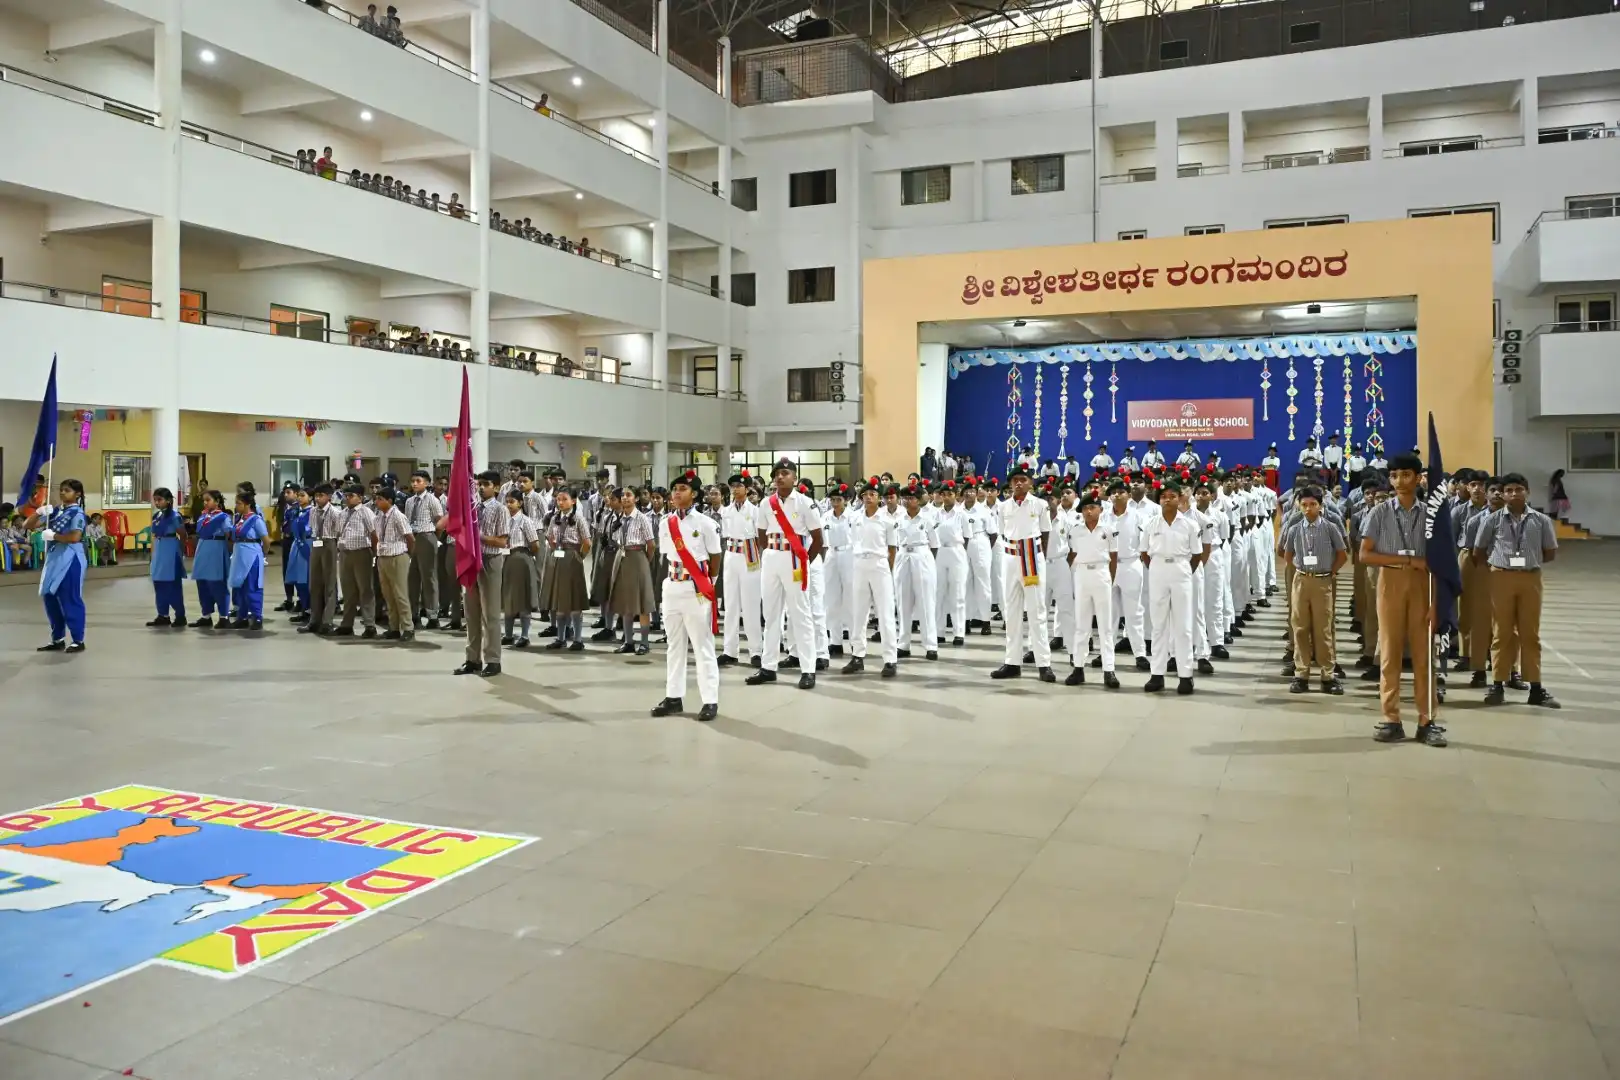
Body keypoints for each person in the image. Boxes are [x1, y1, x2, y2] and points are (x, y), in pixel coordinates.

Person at [1359, 453, 1444, 745]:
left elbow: (1441, 564)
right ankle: (1391, 718)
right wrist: (1406, 560)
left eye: (1406, 475)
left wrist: (1436, 604)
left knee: (1424, 656)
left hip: (1423, 584)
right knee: (1390, 653)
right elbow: (1365, 554)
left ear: (1418, 478)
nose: (1399, 481)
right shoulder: (1379, 513)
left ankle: (1427, 720)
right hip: (1391, 581)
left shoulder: (1431, 515)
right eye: (1394, 476)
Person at [1473, 473, 1560, 708]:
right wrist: (1498, 566)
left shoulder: (1541, 521)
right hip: (1500, 577)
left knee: (1530, 634)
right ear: (1503, 494)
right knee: (1501, 632)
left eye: (1518, 489)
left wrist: (1527, 562)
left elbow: (1550, 552)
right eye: (1509, 490)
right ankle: (1497, 685)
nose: (1514, 494)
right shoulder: (1491, 520)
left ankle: (1536, 688)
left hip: (1530, 578)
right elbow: (1479, 551)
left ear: (1527, 492)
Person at [748, 459, 824, 690]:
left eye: (785, 473)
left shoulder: (805, 503)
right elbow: (761, 536)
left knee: (801, 614)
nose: (780, 477)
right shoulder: (766, 503)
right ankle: (768, 667)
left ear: (794, 477)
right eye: (776, 474)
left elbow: (818, 539)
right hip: (772, 557)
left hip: (795, 560)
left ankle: (808, 668)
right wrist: (771, 554)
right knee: (771, 614)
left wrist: (805, 562)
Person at [652, 470, 722, 720]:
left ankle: (710, 700)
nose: (676, 493)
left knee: (702, 645)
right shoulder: (666, 522)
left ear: (694, 494)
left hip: (696, 588)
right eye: (675, 489)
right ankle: (673, 697)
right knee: (674, 644)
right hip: (672, 585)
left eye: (682, 489)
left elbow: (715, 557)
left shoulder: (706, 523)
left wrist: (708, 584)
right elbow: (667, 554)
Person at [1140, 478, 1207, 694]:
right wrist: (1157, 568)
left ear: (1180, 499)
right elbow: (1144, 553)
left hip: (1181, 569)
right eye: (1163, 497)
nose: (1167, 500)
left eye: (1172, 496)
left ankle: (1185, 675)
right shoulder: (1151, 524)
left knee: (1183, 625)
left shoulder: (1189, 524)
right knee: (1158, 624)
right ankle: (1157, 674)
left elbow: (1196, 555)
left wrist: (1184, 571)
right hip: (1158, 569)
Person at [990, 465, 1055, 682]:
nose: (1019, 483)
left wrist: (1040, 558)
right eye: (1015, 480)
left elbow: (1045, 533)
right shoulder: (1003, 507)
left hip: (1031, 558)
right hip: (1010, 558)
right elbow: (1002, 533)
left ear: (1030, 483)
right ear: (1010, 484)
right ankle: (1012, 662)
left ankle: (1043, 663)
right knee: (1011, 611)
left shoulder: (1040, 504)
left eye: (1023, 479)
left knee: (1037, 611)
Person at [1281, 486, 1347, 694]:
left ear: (1320, 505)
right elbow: (1287, 554)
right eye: (1304, 505)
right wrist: (1299, 568)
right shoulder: (1294, 529)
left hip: (1322, 580)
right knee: (1300, 627)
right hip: (1301, 580)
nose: (1308, 509)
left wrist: (1331, 572)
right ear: (1299, 506)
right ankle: (1301, 673)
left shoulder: (1330, 527)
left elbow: (1342, 554)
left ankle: (1328, 675)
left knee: (1323, 629)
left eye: (1313, 504)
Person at [455, 471, 511, 674]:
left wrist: (477, 536)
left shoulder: (500, 509)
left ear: (496, 487)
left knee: (490, 614)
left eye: (486, 484)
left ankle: (493, 659)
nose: (481, 488)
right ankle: (472, 659)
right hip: (471, 560)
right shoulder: (473, 508)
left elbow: (502, 541)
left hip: (490, 560)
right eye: (479, 484)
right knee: (471, 613)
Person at [1063, 493, 1121, 689]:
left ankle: (1109, 669)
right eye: (1085, 508)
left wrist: (1110, 579)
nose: (1088, 511)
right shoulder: (1075, 531)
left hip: (1101, 572)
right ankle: (1078, 668)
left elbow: (1114, 557)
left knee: (1105, 625)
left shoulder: (1109, 529)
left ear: (1100, 509)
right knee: (1082, 624)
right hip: (1082, 573)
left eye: (1092, 507)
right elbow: (1072, 554)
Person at [843, 479, 899, 678]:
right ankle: (857, 655)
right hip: (860, 564)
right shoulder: (855, 518)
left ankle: (890, 659)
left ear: (879, 498)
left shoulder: (887, 520)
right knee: (858, 612)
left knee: (885, 613)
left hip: (879, 564)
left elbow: (892, 549)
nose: (868, 498)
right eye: (865, 495)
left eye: (872, 494)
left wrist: (887, 569)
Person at [29, 480, 89, 653]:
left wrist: (54, 535)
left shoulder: (77, 513)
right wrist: (38, 512)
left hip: (71, 557)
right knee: (50, 596)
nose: (62, 493)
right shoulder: (55, 512)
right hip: (54, 558)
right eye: (61, 490)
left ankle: (78, 640)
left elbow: (75, 537)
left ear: (77, 494)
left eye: (67, 490)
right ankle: (58, 638)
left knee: (69, 597)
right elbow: (28, 526)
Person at [607, 488, 657, 655]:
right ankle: (628, 641)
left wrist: (644, 560)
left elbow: (651, 545)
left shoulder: (642, 518)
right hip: (622, 556)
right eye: (623, 495)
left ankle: (644, 642)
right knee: (625, 603)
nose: (625, 498)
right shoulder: (620, 518)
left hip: (637, 556)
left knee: (642, 604)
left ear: (635, 499)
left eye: (629, 495)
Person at [538, 486, 588, 652]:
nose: (560, 502)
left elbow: (587, 542)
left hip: (572, 557)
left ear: (573, 501)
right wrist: (554, 547)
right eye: (558, 499)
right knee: (559, 601)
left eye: (564, 499)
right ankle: (560, 638)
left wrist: (580, 556)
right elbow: (550, 537)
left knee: (574, 600)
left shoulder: (579, 519)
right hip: (558, 557)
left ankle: (578, 639)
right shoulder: (554, 518)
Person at [894, 483, 938, 660]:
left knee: (926, 601)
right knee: (903, 601)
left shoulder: (927, 519)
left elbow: (934, 545)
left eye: (911, 498)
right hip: (903, 555)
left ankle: (930, 645)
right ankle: (903, 644)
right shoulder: (898, 519)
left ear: (919, 500)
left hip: (922, 555)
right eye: (905, 498)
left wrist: (926, 562)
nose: (907, 501)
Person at [334, 484, 378, 639]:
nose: (347, 498)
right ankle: (347, 624)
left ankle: (370, 625)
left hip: (361, 553)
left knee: (365, 590)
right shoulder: (343, 513)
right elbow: (339, 533)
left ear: (360, 497)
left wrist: (374, 554)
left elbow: (374, 534)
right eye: (346, 496)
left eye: (351, 496)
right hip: (345, 554)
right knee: (348, 591)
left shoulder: (366, 512)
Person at [371, 487, 414, 640]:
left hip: (397, 556)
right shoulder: (378, 517)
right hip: (383, 557)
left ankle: (408, 628)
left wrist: (408, 555)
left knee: (400, 594)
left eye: (380, 499)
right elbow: (377, 537)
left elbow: (410, 538)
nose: (377, 502)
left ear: (389, 500)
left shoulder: (398, 516)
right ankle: (393, 627)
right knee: (388, 595)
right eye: (376, 499)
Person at [501, 491, 541, 648]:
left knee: (523, 598)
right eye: (507, 502)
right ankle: (508, 634)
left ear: (520, 503)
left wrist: (526, 555)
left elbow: (535, 544)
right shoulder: (504, 520)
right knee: (509, 596)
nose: (509, 505)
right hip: (507, 558)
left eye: (512, 502)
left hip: (522, 558)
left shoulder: (526, 521)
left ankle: (524, 635)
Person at [932, 481, 969, 647]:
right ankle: (939, 632)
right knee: (938, 593)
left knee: (957, 593)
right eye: (944, 494)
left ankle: (958, 632)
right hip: (940, 552)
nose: (946, 497)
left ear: (956, 495)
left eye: (950, 494)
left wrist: (959, 553)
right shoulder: (936, 514)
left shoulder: (961, 514)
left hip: (956, 551)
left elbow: (967, 537)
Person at [227, 492, 270, 630]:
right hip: (239, 554)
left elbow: (266, 540)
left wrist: (263, 554)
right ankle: (242, 617)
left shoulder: (256, 520)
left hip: (252, 554)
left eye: (239, 503)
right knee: (240, 586)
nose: (236, 506)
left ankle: (257, 617)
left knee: (252, 586)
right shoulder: (239, 519)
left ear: (247, 504)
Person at [190, 490, 233, 628]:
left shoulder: (223, 517)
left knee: (217, 583)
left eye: (208, 500)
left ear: (217, 501)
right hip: (202, 548)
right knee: (202, 583)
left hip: (216, 548)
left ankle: (224, 616)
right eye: (204, 500)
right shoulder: (203, 516)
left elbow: (229, 535)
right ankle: (206, 615)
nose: (205, 503)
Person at [821, 482, 855, 655]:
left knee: (851, 600)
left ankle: (855, 640)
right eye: (832, 500)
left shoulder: (853, 516)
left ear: (846, 500)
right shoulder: (826, 517)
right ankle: (835, 640)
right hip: (831, 554)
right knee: (831, 599)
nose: (835, 503)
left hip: (849, 554)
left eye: (838, 500)